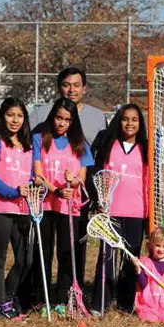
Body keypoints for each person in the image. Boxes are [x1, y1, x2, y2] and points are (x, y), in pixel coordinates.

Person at [31, 66, 107, 286]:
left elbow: (95, 161)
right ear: (59, 88)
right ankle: (39, 291)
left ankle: (73, 290)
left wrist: (87, 190)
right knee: (43, 248)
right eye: (66, 85)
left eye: (76, 85)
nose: (71, 90)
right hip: (47, 200)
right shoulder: (42, 124)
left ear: (84, 88)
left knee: (72, 249)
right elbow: (35, 162)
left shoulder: (96, 119)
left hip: (76, 199)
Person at [32, 98, 94, 315]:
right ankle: (43, 298)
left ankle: (63, 298)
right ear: (52, 117)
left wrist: (74, 180)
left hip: (70, 207)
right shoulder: (40, 138)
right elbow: (37, 173)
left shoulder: (80, 144)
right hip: (46, 204)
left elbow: (82, 178)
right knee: (44, 252)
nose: (61, 123)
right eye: (59, 118)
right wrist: (55, 190)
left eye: (67, 120)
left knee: (66, 252)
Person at [91, 104, 149, 314]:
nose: (130, 123)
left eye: (134, 119)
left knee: (130, 258)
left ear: (140, 123)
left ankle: (126, 303)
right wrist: (99, 203)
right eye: (125, 119)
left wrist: (150, 216)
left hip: (136, 212)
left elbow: (151, 183)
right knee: (106, 258)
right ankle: (101, 302)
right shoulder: (109, 145)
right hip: (111, 212)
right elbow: (98, 176)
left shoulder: (146, 149)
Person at [0, 97, 33, 320]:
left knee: (26, 259)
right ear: (2, 116)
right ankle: (1, 305)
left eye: (20, 116)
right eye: (11, 115)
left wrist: (34, 184)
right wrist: (11, 192)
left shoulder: (28, 144)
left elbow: (31, 174)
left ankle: (9, 297)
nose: (15, 120)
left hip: (23, 210)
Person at [133, 227, 164, 323]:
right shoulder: (145, 263)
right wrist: (138, 270)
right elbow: (143, 285)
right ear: (151, 245)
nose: (161, 249)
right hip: (148, 303)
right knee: (150, 319)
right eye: (158, 245)